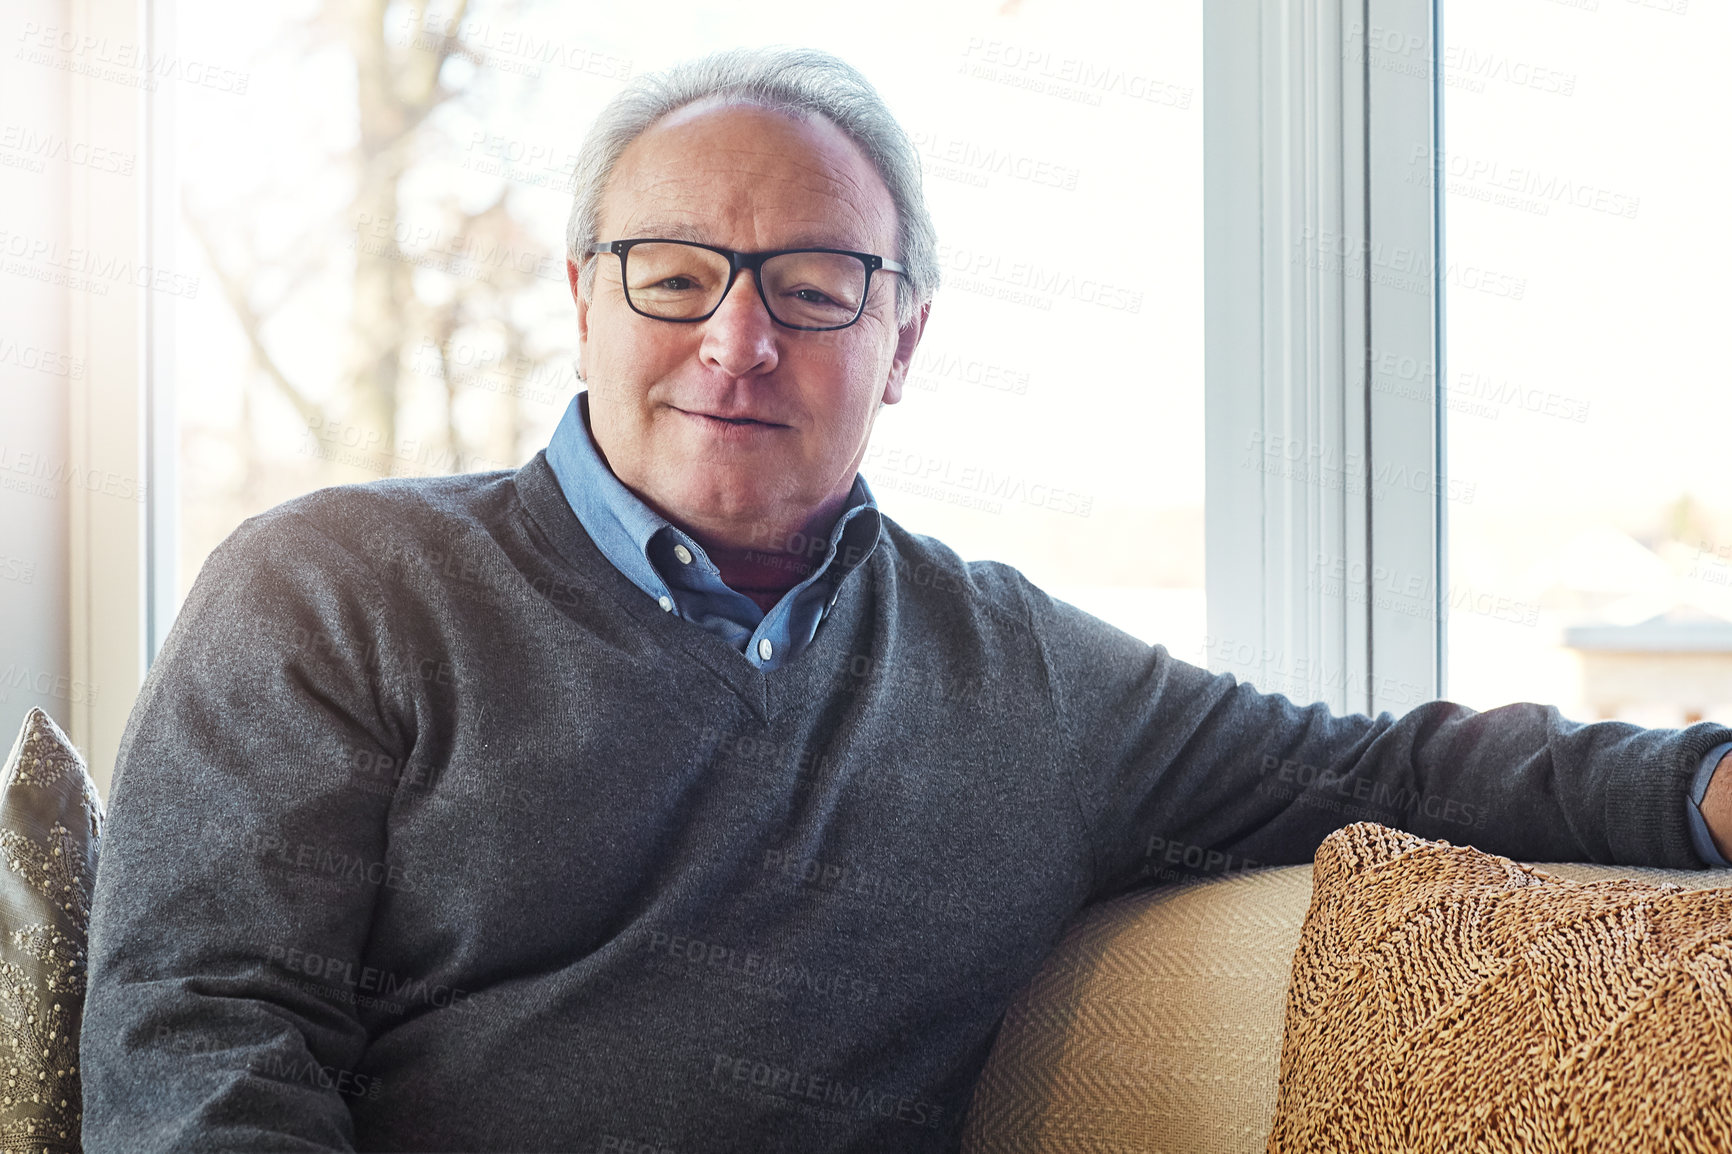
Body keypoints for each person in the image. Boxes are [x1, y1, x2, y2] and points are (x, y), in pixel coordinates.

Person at [80, 45, 1732, 1153]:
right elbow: (202, 1048)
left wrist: (1697, 781)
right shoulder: (333, 589)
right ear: (583, 297)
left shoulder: (1020, 674)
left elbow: (1377, 769)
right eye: (677, 277)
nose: (740, 341)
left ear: (906, 339)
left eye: (815, 288)